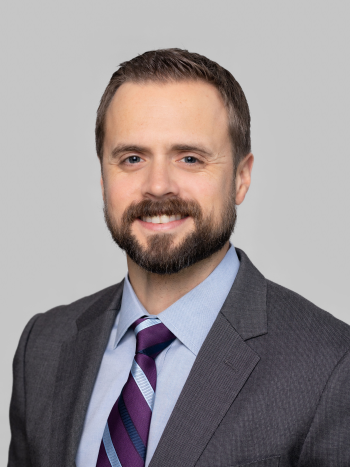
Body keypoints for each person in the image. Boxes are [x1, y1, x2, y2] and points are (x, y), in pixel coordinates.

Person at [8, 48, 350, 467]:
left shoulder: (331, 365)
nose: (158, 186)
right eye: (132, 158)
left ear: (241, 178)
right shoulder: (44, 346)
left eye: (190, 158)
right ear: (102, 179)